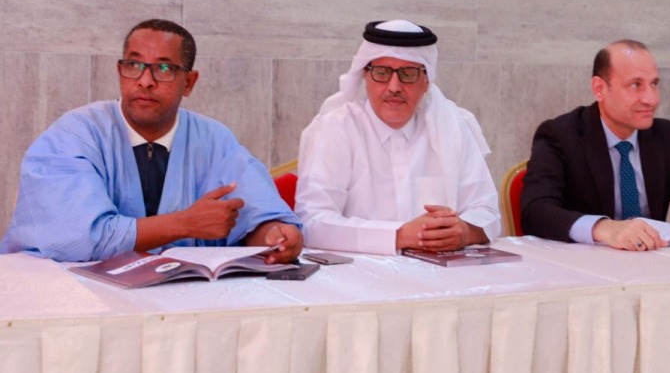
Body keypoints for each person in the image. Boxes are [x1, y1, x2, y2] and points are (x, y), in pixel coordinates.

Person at [0, 19, 303, 263]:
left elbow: (256, 215)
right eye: (134, 65)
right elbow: (79, 238)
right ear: (120, 72)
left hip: (181, 297)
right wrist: (185, 223)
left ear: (189, 82)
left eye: (164, 68)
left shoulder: (214, 139)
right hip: (74, 299)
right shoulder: (76, 134)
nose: (145, 81)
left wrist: (276, 236)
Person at [521, 39, 670, 250]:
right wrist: (604, 228)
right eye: (636, 85)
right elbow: (536, 211)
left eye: (654, 84)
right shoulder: (561, 135)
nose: (651, 99)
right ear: (599, 88)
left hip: (651, 265)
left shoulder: (665, 135)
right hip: (584, 268)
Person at [295, 20, 500, 254]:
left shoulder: (452, 126)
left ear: (426, 82)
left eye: (408, 74)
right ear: (366, 75)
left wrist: (465, 231)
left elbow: (487, 211)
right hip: (359, 270)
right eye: (382, 73)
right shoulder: (337, 127)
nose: (394, 86)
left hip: (440, 270)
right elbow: (312, 222)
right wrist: (399, 235)